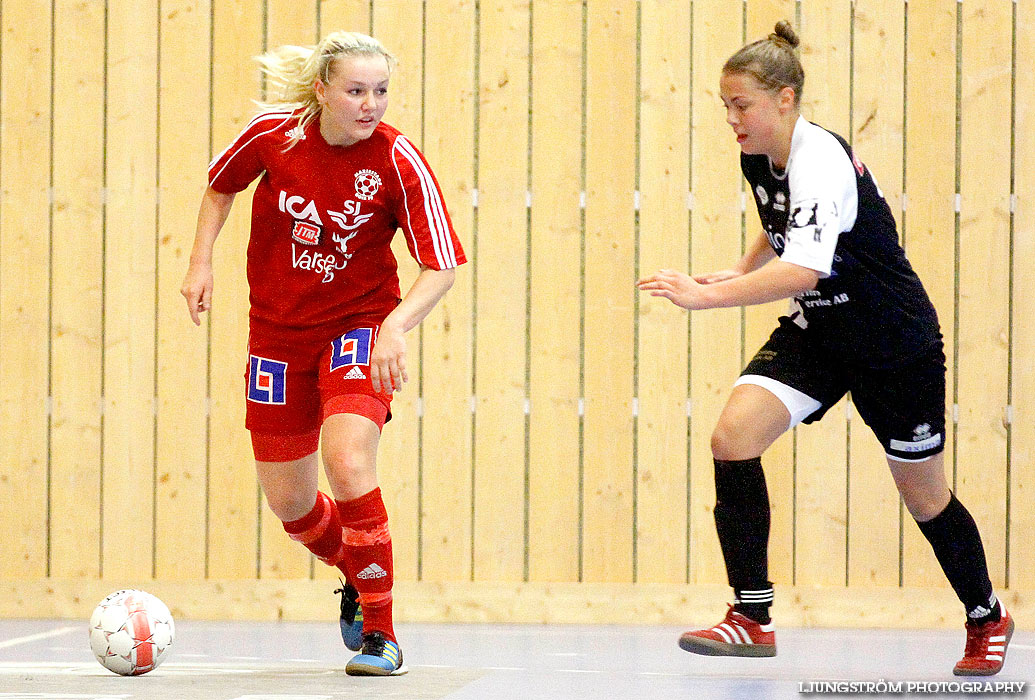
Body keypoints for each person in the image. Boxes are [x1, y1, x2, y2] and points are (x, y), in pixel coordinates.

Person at [637, 21, 1012, 676]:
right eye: (725, 105)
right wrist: (736, 267)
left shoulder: (820, 160)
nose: (731, 118)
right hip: (821, 334)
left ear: (784, 99)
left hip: (894, 343)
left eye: (740, 105)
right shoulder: (758, 153)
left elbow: (802, 271)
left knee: (924, 498)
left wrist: (704, 297)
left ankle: (986, 615)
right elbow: (779, 227)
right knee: (732, 438)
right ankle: (750, 617)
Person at [181, 31, 465, 676]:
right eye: (357, 90)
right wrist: (201, 263)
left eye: (382, 91)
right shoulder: (273, 136)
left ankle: (382, 635)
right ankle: (359, 575)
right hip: (276, 336)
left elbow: (441, 266)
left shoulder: (397, 160)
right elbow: (220, 187)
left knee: (347, 456)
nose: (372, 104)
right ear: (323, 91)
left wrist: (395, 326)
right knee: (291, 506)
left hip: (357, 329)